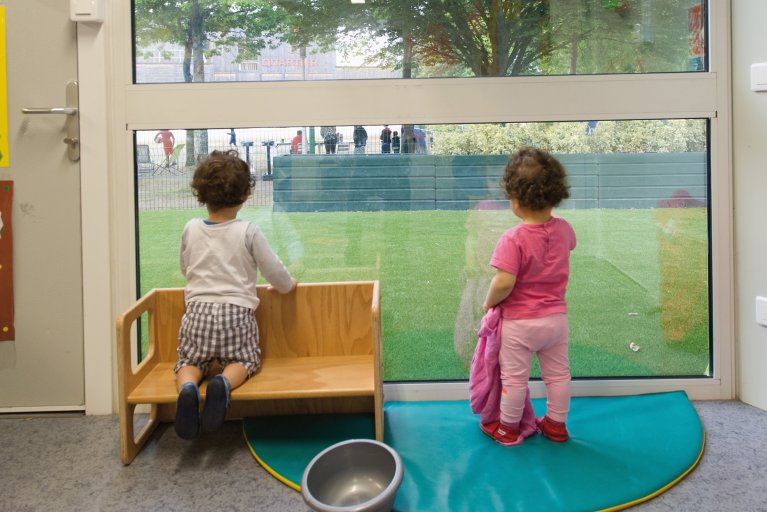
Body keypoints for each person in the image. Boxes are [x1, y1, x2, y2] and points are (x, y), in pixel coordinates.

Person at [174, 150, 297, 440]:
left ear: (201, 194)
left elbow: (185, 267)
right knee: (245, 360)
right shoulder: (248, 231)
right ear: (245, 195)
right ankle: (224, 384)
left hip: (198, 313)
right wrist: (288, 285)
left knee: (189, 362)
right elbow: (274, 271)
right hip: (236, 313)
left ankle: (189, 388)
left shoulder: (191, 228)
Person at [479, 147, 576, 446]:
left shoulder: (513, 238)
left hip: (520, 324)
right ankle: (556, 425)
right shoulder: (565, 230)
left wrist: (489, 302)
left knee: (515, 379)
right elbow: (567, 246)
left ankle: (508, 428)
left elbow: (505, 281)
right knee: (558, 376)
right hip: (556, 321)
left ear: (517, 202)